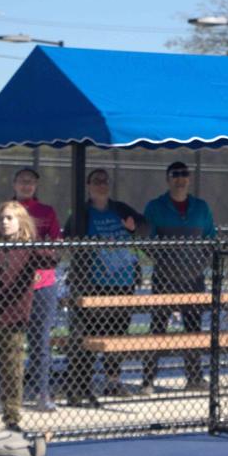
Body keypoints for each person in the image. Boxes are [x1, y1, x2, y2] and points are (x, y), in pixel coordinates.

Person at [0, 201, 57, 436]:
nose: (5, 223)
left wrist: (32, 241)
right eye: (1, 219)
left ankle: (12, 418)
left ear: (21, 222)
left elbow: (51, 259)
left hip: (14, 321)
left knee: (12, 371)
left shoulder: (28, 251)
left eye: (10, 218)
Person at [63, 168, 148, 407]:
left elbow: (144, 228)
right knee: (87, 336)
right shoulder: (82, 211)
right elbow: (69, 238)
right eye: (96, 181)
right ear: (88, 185)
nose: (101, 185)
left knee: (118, 334)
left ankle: (113, 380)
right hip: (92, 284)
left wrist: (133, 229)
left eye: (104, 181)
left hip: (122, 282)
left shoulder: (120, 208)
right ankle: (81, 386)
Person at [140, 161, 215, 395]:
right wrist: (164, 259)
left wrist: (199, 264)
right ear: (167, 179)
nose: (180, 179)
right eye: (175, 175)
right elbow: (147, 241)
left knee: (193, 330)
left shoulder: (201, 208)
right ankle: (148, 380)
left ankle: (194, 377)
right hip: (164, 278)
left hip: (193, 279)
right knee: (158, 330)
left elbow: (211, 239)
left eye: (184, 175)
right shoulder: (155, 207)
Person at [11, 167, 61, 412]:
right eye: (22, 181)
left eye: (30, 181)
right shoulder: (7, 211)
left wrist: (40, 263)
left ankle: (43, 393)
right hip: (13, 286)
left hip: (43, 283)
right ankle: (12, 396)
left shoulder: (47, 212)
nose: (26, 185)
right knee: (12, 341)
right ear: (14, 184)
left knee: (40, 341)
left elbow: (55, 247)